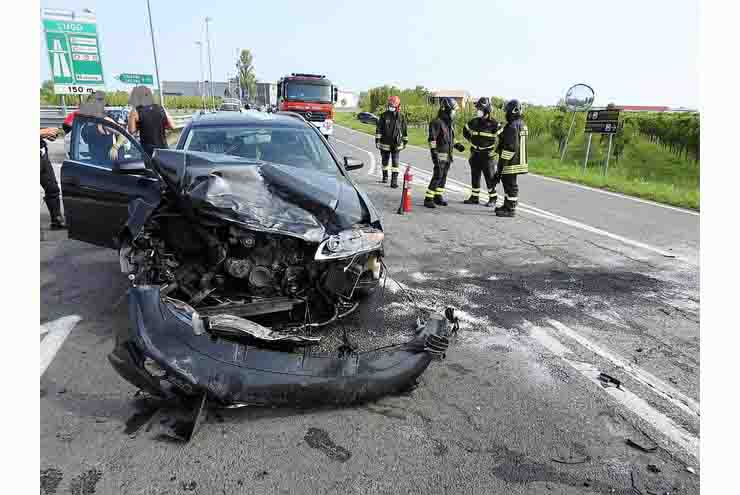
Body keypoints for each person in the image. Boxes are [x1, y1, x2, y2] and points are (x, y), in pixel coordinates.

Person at [424, 97, 465, 208]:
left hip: (448, 155)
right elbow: (432, 140)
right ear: (446, 109)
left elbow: (450, 139)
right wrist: (434, 155)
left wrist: (457, 145)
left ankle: (438, 196)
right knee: (438, 176)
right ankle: (428, 198)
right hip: (439, 156)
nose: (454, 113)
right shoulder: (436, 122)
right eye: (453, 110)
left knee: (443, 177)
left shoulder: (448, 123)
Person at [462, 97, 502, 207]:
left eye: (480, 108)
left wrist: (495, 151)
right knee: (475, 176)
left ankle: (493, 198)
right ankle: (474, 197)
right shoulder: (474, 121)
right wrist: (471, 139)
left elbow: (503, 138)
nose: (478, 110)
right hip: (475, 154)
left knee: (489, 178)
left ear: (487, 110)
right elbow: (465, 130)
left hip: (488, 156)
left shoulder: (494, 124)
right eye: (478, 108)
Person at [491, 99, 528, 217]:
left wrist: (500, 167)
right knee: (508, 183)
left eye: (507, 111)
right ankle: (507, 205)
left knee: (510, 184)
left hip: (511, 161)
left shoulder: (513, 126)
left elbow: (509, 147)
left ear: (514, 111)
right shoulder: (521, 124)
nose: (506, 114)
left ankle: (510, 209)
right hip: (518, 160)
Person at [126, 86, 175, 157]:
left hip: (148, 152)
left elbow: (131, 131)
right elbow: (172, 126)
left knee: (149, 168)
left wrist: (140, 125)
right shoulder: (161, 108)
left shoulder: (135, 111)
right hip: (163, 149)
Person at [375, 95, 408, 188]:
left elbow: (404, 129)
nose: (391, 107)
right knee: (385, 162)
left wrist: (405, 141)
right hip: (384, 143)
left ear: (397, 106)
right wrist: (377, 141)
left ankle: (394, 181)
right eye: (390, 105)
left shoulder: (401, 116)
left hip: (396, 144)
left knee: (395, 163)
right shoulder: (383, 116)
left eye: (393, 106)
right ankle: (385, 177)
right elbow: (379, 129)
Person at [40, 127, 66, 229]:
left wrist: (46, 134)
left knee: (52, 189)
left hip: (42, 156)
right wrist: (42, 132)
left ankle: (56, 220)